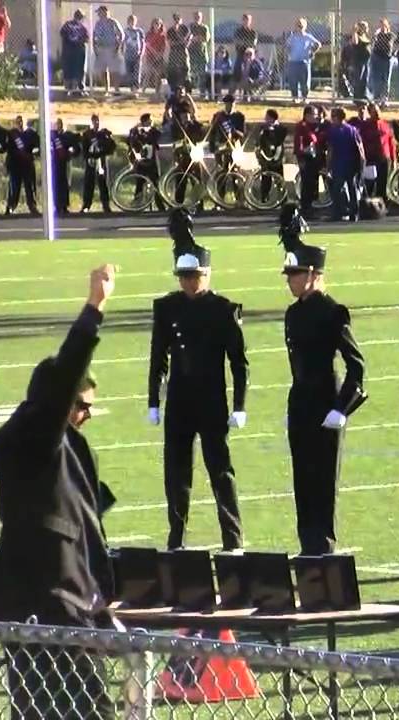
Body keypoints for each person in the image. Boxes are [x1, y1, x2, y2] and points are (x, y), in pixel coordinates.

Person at [0, 263, 119, 720]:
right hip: (50, 608)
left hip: (66, 607)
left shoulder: (57, 446)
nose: (86, 415)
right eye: (80, 406)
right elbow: (63, 382)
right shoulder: (33, 435)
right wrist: (94, 308)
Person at [148, 210, 249, 553]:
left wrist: (239, 406)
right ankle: (176, 537)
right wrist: (152, 401)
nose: (189, 283)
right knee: (176, 475)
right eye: (184, 277)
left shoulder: (223, 309)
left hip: (211, 402)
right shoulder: (166, 308)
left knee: (220, 471)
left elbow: (238, 361)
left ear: (206, 274)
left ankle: (232, 538)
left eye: (194, 276)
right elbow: (158, 356)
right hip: (178, 401)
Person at [278, 205, 367, 556]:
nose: (290, 280)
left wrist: (342, 408)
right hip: (300, 401)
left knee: (323, 479)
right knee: (302, 478)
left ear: (313, 274)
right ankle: (306, 543)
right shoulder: (293, 313)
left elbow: (356, 366)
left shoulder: (333, 312)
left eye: (295, 274)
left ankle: (324, 545)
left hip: (327, 401)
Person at [325, 107, 365, 221]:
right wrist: (361, 164)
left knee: (337, 189)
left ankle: (338, 212)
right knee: (352, 188)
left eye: (333, 116)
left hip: (339, 164)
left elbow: (331, 150)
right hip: (352, 164)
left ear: (337, 117)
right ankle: (354, 213)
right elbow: (360, 148)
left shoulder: (334, 131)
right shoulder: (353, 130)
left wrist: (328, 166)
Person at [126, 113, 163, 211]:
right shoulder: (137, 132)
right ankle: (138, 204)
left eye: (151, 120)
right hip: (142, 162)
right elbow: (130, 140)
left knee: (155, 184)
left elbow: (159, 136)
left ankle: (160, 206)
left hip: (152, 162)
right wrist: (136, 130)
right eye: (148, 120)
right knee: (140, 183)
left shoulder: (154, 132)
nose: (151, 122)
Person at [80, 114, 114, 214]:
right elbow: (84, 149)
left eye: (98, 121)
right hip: (91, 162)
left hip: (101, 161)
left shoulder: (103, 134)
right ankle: (86, 205)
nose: (96, 123)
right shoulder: (87, 134)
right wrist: (88, 157)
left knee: (103, 184)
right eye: (94, 121)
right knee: (89, 184)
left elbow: (111, 147)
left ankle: (106, 206)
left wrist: (108, 140)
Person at [5, 115, 38, 215]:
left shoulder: (31, 134)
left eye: (22, 121)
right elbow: (8, 148)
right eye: (18, 122)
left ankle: (32, 206)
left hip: (27, 164)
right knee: (14, 187)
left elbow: (37, 145)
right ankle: (10, 207)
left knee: (30, 187)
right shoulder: (12, 134)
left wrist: (35, 151)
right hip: (15, 165)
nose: (20, 123)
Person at [361, 101, 394, 199]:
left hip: (384, 157)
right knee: (369, 182)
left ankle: (381, 203)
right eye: (374, 111)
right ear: (370, 112)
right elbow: (362, 142)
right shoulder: (365, 125)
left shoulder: (385, 124)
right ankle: (367, 204)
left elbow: (391, 141)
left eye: (378, 111)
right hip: (371, 157)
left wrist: (393, 158)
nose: (377, 113)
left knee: (382, 182)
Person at [49, 118, 81, 215]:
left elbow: (76, 147)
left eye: (60, 124)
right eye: (57, 124)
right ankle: (56, 206)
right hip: (53, 164)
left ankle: (64, 206)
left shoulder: (67, 136)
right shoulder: (51, 135)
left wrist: (71, 153)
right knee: (54, 186)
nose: (59, 126)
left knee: (64, 185)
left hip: (64, 164)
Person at [286, 18, 321, 103]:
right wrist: (289, 54)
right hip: (293, 62)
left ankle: (304, 97)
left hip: (304, 62)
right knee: (293, 81)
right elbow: (287, 46)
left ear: (305, 26)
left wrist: (312, 52)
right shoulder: (292, 37)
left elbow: (318, 44)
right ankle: (295, 97)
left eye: (302, 25)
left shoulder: (308, 36)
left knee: (304, 81)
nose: (300, 26)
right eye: (298, 24)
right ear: (296, 26)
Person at [294, 104, 321, 212]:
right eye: (314, 115)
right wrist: (301, 157)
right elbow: (298, 144)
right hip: (305, 158)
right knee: (307, 184)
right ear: (307, 115)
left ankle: (309, 206)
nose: (316, 117)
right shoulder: (302, 126)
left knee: (311, 184)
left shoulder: (311, 127)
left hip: (312, 157)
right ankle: (305, 207)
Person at [255, 108, 286, 203]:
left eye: (268, 117)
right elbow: (258, 141)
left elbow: (279, 141)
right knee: (265, 180)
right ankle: (264, 199)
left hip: (277, 157)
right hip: (265, 157)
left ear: (273, 118)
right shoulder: (262, 128)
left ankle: (282, 199)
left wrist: (271, 131)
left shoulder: (281, 128)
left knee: (280, 180)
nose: (266, 119)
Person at [92, 5, 124, 95]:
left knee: (113, 70)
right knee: (103, 71)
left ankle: (116, 89)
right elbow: (94, 36)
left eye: (99, 12)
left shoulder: (113, 22)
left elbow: (121, 34)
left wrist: (118, 46)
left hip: (112, 48)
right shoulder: (98, 23)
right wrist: (95, 47)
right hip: (101, 49)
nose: (98, 14)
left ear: (105, 11)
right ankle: (107, 90)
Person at [59, 10, 89, 96]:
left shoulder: (68, 25)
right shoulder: (81, 26)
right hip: (76, 51)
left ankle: (72, 89)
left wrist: (72, 41)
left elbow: (62, 34)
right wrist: (77, 41)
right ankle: (77, 89)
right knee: (77, 70)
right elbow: (86, 38)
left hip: (72, 50)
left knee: (73, 69)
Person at [231, 13, 257, 96]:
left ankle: (247, 94)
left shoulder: (253, 32)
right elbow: (236, 42)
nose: (246, 21)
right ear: (242, 21)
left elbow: (252, 44)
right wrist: (245, 43)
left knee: (248, 73)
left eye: (248, 20)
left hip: (249, 56)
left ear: (250, 21)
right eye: (244, 20)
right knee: (237, 71)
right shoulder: (238, 31)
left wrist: (243, 43)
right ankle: (233, 93)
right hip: (240, 54)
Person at [165, 12, 191, 93]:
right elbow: (170, 43)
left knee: (185, 69)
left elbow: (188, 39)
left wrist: (183, 42)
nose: (177, 21)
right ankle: (174, 89)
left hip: (183, 51)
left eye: (178, 19)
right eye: (175, 19)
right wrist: (181, 42)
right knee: (173, 70)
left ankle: (186, 89)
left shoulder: (185, 29)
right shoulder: (170, 30)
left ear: (181, 20)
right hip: (174, 52)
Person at [369, 18, 393, 103]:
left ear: (386, 25)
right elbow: (372, 44)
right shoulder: (377, 35)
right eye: (380, 25)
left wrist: (381, 35)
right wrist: (375, 35)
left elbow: (389, 45)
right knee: (377, 79)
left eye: (383, 25)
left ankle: (385, 98)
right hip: (377, 57)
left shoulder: (390, 35)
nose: (381, 27)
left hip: (386, 58)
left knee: (386, 79)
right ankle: (376, 97)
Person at [188, 11, 210, 98]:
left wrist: (195, 38)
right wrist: (195, 38)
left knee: (202, 74)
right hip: (192, 54)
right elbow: (188, 37)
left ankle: (203, 93)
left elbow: (206, 38)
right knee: (190, 74)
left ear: (201, 17)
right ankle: (189, 93)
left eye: (199, 17)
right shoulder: (191, 27)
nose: (197, 18)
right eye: (196, 16)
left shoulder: (204, 27)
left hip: (201, 54)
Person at [143, 17, 166, 94]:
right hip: (150, 56)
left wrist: (159, 55)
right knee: (148, 74)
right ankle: (143, 90)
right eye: (155, 23)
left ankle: (157, 91)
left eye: (159, 24)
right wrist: (154, 52)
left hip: (159, 57)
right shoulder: (149, 34)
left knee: (158, 74)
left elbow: (163, 46)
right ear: (152, 24)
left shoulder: (162, 35)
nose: (157, 25)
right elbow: (147, 44)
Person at [121, 15, 143, 93]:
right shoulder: (125, 31)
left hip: (137, 54)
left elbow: (143, 42)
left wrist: (141, 52)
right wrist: (122, 51)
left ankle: (136, 89)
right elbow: (122, 42)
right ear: (128, 22)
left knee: (137, 73)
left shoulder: (139, 31)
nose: (132, 22)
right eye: (130, 21)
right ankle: (131, 89)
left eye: (133, 20)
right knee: (129, 73)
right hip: (128, 54)